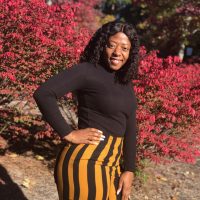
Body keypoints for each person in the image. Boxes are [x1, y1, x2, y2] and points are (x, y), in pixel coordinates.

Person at [33, 21, 139, 200]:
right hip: (85, 159)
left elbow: (130, 127)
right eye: (111, 45)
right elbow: (44, 93)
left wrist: (129, 169)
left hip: (112, 164)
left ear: (130, 53)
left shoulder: (125, 84)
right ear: (101, 45)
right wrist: (68, 133)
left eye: (124, 48)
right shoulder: (87, 71)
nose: (117, 53)